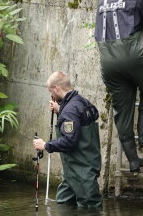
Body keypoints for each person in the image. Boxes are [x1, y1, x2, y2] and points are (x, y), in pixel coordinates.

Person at [94, 0, 143, 172]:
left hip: (107, 60)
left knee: (122, 110)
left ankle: (133, 159)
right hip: (132, 56)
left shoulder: (102, 2)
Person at [33, 71, 102, 209]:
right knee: (63, 202)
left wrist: (45, 145)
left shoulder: (70, 110)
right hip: (73, 169)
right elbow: (90, 115)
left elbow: (70, 141)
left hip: (82, 170)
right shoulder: (81, 101)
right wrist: (60, 110)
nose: (51, 96)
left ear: (57, 88)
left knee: (89, 207)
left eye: (51, 91)